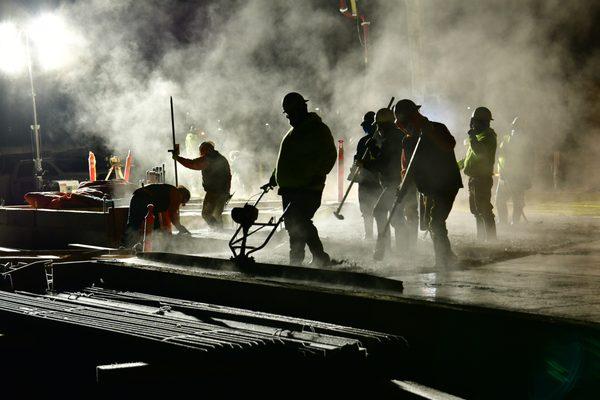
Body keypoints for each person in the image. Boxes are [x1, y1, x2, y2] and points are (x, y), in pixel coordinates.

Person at [261, 92, 337, 266]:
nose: (289, 118)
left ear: (302, 109)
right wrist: (274, 178)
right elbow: (287, 159)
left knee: (299, 223)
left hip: (307, 187)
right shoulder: (295, 131)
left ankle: (298, 261)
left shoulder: (317, 129)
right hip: (291, 188)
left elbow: (329, 156)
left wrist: (316, 175)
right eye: (287, 115)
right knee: (295, 224)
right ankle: (316, 258)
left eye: (292, 114)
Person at [395, 99, 463, 267]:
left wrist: (430, 133)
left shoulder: (437, 128)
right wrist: (402, 187)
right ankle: (447, 256)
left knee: (436, 222)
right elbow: (407, 168)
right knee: (433, 224)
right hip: (428, 188)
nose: (403, 126)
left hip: (445, 184)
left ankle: (443, 261)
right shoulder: (408, 140)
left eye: (405, 122)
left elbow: (449, 145)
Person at [361, 108, 406, 260]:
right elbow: (383, 157)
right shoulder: (393, 137)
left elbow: (384, 164)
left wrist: (366, 164)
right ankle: (402, 250)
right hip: (395, 182)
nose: (378, 130)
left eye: (379, 126)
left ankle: (384, 249)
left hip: (394, 183)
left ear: (384, 125)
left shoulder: (393, 139)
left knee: (379, 211)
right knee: (397, 217)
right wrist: (373, 148)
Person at [173, 141, 232, 229]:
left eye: (201, 151)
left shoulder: (209, 159)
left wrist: (178, 158)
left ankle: (217, 230)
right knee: (217, 214)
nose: (201, 154)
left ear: (205, 150)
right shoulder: (222, 158)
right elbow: (229, 176)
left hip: (214, 192)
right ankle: (220, 232)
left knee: (206, 214)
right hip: (224, 192)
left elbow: (192, 164)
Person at [460, 106, 497, 241]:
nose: (473, 124)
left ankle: (492, 241)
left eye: (475, 121)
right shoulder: (479, 137)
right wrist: (455, 165)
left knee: (484, 210)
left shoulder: (488, 136)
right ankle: (481, 239)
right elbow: (469, 158)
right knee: (476, 210)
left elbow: (480, 153)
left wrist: (472, 137)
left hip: (482, 178)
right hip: (474, 178)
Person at [123, 184, 191, 247]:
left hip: (136, 198)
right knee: (136, 225)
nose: (180, 204)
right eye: (182, 202)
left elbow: (167, 216)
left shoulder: (168, 191)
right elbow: (173, 214)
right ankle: (130, 246)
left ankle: (126, 246)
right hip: (144, 200)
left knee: (134, 225)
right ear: (183, 196)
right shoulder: (176, 194)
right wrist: (180, 227)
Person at [496, 117, 533, 225]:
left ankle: (515, 222)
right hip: (504, 175)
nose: (515, 130)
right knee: (500, 200)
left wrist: (526, 176)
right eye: (514, 127)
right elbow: (500, 153)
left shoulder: (526, 142)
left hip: (518, 175)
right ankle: (503, 221)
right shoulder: (506, 139)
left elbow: (529, 159)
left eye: (517, 128)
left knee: (518, 201)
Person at [352, 111, 381, 240]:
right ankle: (368, 234)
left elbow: (383, 160)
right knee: (365, 208)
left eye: (366, 124)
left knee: (380, 210)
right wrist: (356, 165)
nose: (363, 127)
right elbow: (357, 157)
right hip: (364, 180)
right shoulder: (363, 141)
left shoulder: (381, 140)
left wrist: (366, 162)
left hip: (378, 180)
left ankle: (382, 236)